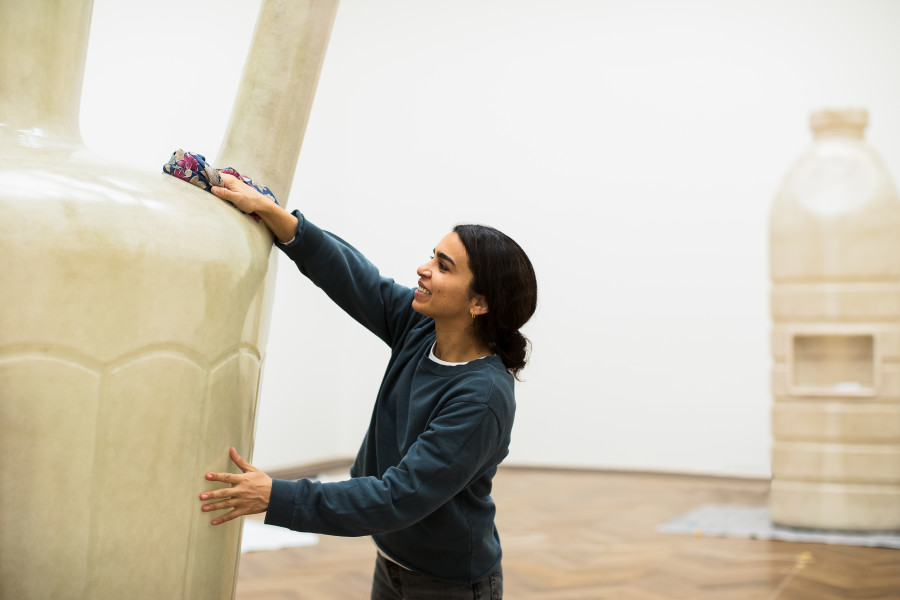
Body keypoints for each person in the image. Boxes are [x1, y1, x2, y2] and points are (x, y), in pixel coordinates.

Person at [199, 173, 537, 599]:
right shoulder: (420, 328)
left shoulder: (481, 398)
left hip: (449, 584)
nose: (423, 268)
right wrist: (278, 218)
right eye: (432, 256)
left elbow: (397, 497)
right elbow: (355, 279)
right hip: (394, 562)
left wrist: (277, 496)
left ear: (480, 303)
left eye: (443, 266)